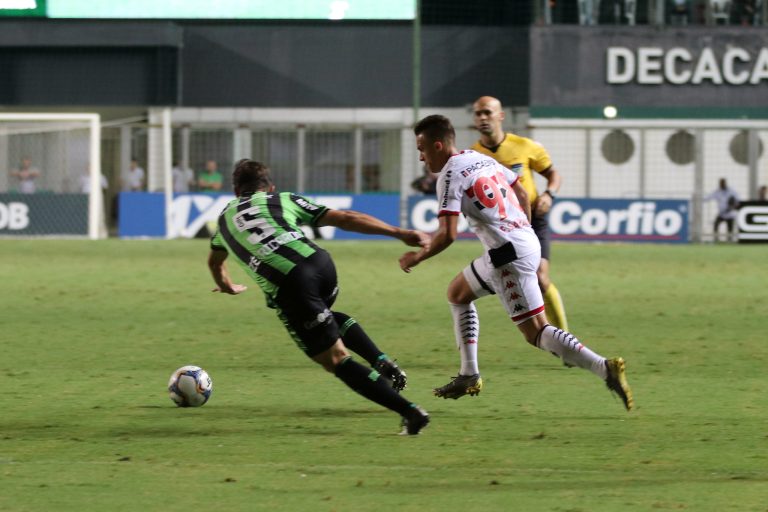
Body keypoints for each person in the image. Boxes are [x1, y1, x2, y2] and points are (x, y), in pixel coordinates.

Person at [399, 114, 633, 411]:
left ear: (438, 145)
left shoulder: (448, 175)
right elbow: (521, 190)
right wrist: (519, 229)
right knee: (457, 294)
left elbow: (447, 235)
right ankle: (468, 374)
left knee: (537, 332)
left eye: (422, 149)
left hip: (507, 256)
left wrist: (418, 257)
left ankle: (604, 368)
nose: (420, 157)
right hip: (524, 241)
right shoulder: (476, 157)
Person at [207, 158, 431, 435]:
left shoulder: (223, 222)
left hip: (290, 283)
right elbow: (346, 218)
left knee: (335, 359)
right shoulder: (282, 199)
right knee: (324, 315)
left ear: (234, 191)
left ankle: (410, 412)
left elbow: (215, 263)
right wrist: (400, 233)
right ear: (270, 187)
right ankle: (381, 361)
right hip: (322, 266)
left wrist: (227, 285)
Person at [471, 96, 569, 333]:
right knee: (512, 281)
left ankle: (563, 336)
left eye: (487, 112)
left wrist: (549, 194)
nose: (483, 118)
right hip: (500, 228)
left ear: (500, 116)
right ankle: (546, 334)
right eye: (478, 114)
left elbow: (554, 174)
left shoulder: (525, 146)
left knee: (540, 278)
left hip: (533, 218)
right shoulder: (472, 156)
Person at [706, 178, 740, 242]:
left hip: (730, 214)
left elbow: (737, 200)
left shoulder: (731, 191)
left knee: (730, 228)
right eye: (720, 183)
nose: (721, 185)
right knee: (716, 224)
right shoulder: (717, 192)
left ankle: (730, 240)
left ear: (725, 183)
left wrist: (733, 206)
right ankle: (716, 239)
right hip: (721, 214)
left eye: (723, 183)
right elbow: (708, 197)